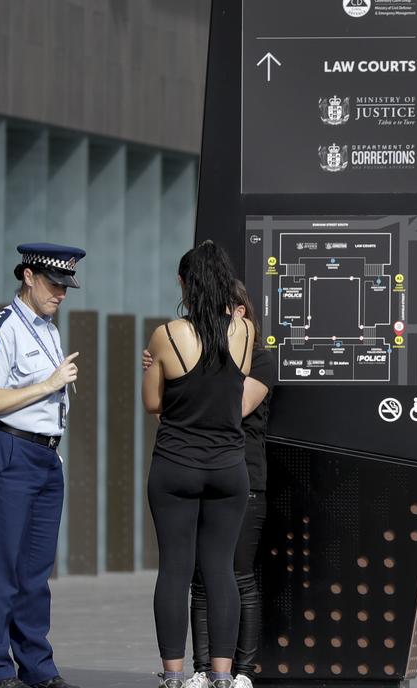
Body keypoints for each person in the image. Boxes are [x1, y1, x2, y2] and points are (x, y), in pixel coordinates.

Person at [0, 244, 85, 688]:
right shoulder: (2, 328)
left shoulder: (48, 328)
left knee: (35, 571)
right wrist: (49, 383)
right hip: (10, 451)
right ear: (29, 277)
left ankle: (36, 666)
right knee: (0, 568)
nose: (62, 293)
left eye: (66, 286)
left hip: (44, 456)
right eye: (55, 284)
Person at [142, 242, 255, 688]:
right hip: (229, 468)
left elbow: (153, 402)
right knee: (221, 569)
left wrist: (152, 370)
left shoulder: (167, 335)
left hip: (175, 465)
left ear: (183, 285)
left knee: (174, 568)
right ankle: (223, 676)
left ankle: (174, 676)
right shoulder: (245, 333)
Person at [168, 283, 275, 688]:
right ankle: (201, 670)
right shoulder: (201, 362)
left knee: (238, 575)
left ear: (240, 314)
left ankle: (241, 673)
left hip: (243, 478)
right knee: (201, 577)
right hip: (200, 472)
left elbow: (237, 408)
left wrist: (189, 389)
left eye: (222, 310)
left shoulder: (261, 361)